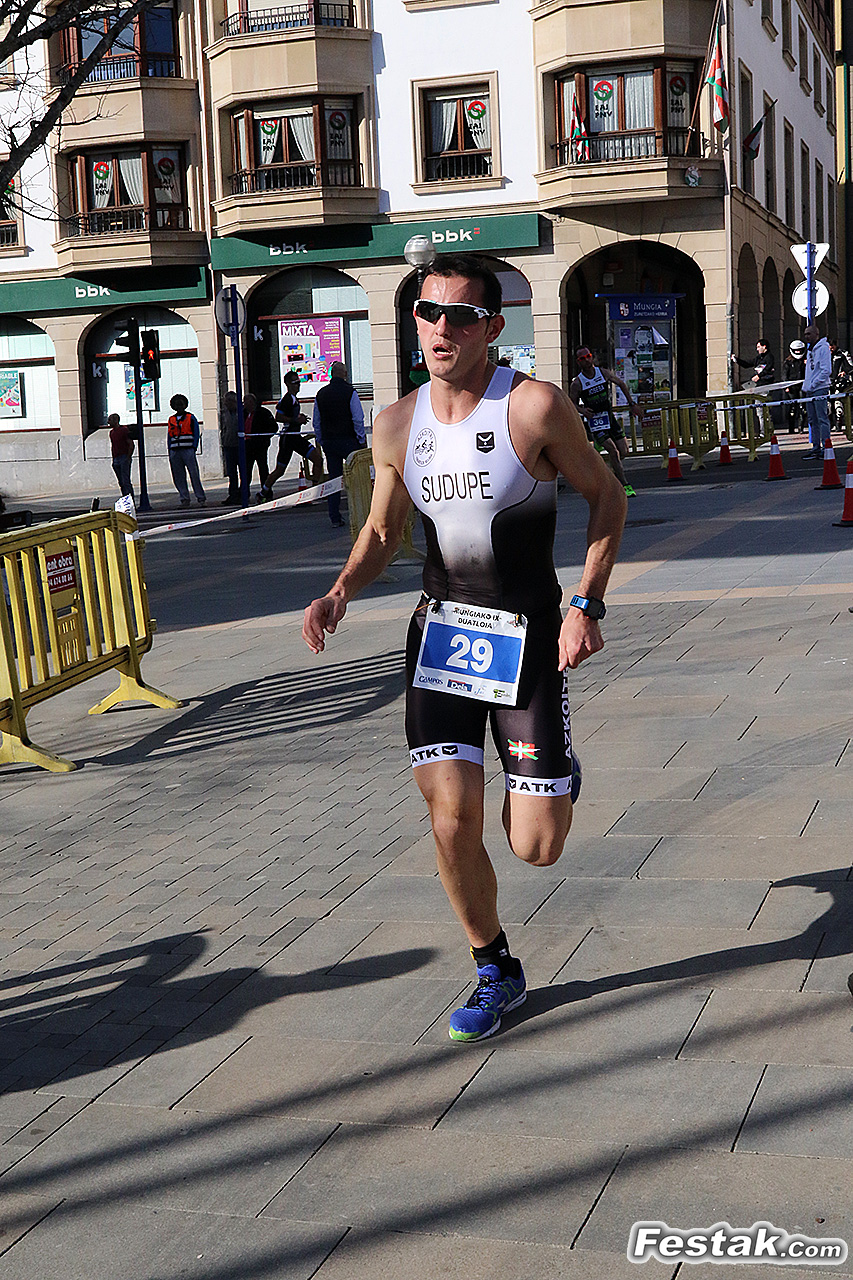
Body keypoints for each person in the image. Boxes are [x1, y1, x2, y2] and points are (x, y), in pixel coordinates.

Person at [303, 253, 627, 1042]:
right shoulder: (395, 423)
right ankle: (494, 967)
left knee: (536, 847)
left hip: (528, 636)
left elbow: (607, 496)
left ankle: (554, 768)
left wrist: (585, 603)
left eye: (458, 314)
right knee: (451, 818)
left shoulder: (533, 407)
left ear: (491, 327)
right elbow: (383, 530)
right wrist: (340, 589)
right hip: (443, 635)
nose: (439, 327)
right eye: (427, 311)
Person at [568, 347, 642, 496]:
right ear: (578, 362)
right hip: (596, 421)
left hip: (609, 417)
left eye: (588, 356)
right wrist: (583, 411)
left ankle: (612, 472)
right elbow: (571, 403)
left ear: (592, 357)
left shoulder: (603, 373)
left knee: (623, 451)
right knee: (613, 451)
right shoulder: (577, 383)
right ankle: (625, 485)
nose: (586, 360)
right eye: (582, 358)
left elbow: (621, 384)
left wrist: (631, 404)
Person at [312, 361, 366, 527]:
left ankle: (334, 516)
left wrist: (321, 440)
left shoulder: (321, 394)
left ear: (331, 374)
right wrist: (361, 439)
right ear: (345, 374)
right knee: (356, 479)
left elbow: (316, 421)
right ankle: (359, 514)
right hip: (349, 440)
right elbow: (357, 418)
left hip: (330, 442)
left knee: (333, 480)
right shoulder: (350, 392)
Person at [257, 372, 322, 503]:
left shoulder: (293, 399)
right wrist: (296, 420)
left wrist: (299, 418)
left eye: (299, 382)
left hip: (294, 437)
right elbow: (278, 417)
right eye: (295, 383)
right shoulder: (288, 399)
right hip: (289, 438)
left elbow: (290, 417)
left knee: (318, 459)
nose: (298, 385)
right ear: (287, 384)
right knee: (280, 470)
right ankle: (263, 492)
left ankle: (315, 490)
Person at [167, 394, 206, 507]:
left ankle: (200, 497)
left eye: (181, 404)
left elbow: (196, 432)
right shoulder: (171, 419)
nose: (179, 406)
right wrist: (170, 449)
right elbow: (169, 435)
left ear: (185, 405)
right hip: (175, 450)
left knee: (194, 474)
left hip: (188, 449)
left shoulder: (190, 417)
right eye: (177, 404)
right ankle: (184, 498)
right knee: (178, 476)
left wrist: (194, 447)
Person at [801, 325, 832, 460]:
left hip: (819, 388)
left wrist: (813, 384)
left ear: (816, 334)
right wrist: (807, 386)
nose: (806, 337)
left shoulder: (823, 348)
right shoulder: (810, 350)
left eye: (809, 334)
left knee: (822, 418)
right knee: (812, 419)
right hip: (810, 389)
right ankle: (815, 447)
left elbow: (826, 370)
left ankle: (826, 446)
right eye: (805, 334)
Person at [242, 393, 276, 492]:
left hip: (260, 446)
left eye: (246, 402)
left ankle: (266, 491)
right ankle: (244, 493)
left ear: (252, 402)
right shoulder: (243, 413)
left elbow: (273, 427)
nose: (244, 404)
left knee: (263, 469)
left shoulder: (263, 413)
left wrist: (263, 438)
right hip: (247, 445)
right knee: (246, 470)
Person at [219, 390, 242, 505]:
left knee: (243, 471)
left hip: (240, 446)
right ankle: (233, 495)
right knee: (231, 473)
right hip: (229, 445)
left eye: (228, 401)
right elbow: (223, 428)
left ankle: (243, 494)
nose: (226, 403)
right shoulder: (224, 413)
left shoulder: (241, 412)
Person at [108, 413, 134, 500]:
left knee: (126, 481)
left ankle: (130, 499)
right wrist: (113, 459)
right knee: (121, 482)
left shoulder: (124, 430)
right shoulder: (111, 433)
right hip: (116, 458)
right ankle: (125, 497)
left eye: (110, 420)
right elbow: (113, 446)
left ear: (116, 420)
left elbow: (130, 444)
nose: (108, 422)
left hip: (123, 456)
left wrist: (128, 457)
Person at [783, 340, 806, 435]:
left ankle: (801, 427)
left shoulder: (806, 360)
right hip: (792, 387)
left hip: (803, 386)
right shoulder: (788, 362)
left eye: (800, 350)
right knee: (792, 408)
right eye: (796, 351)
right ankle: (791, 428)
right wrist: (786, 386)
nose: (798, 352)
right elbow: (785, 375)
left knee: (802, 408)